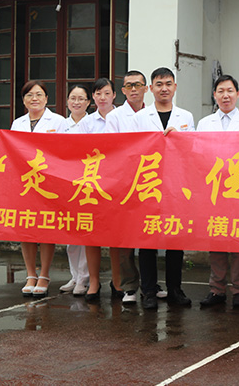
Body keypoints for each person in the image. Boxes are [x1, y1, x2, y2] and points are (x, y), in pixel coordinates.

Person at [0, 81, 65, 297]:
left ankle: (44, 274)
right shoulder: (18, 123)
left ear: (47, 98)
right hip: (25, 183)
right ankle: (31, 274)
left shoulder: (58, 121)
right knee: (26, 227)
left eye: (39, 94)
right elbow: (13, 152)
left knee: (46, 228)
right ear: (23, 100)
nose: (34, 98)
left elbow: (65, 151)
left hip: (48, 183)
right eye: (29, 95)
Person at [131, 67, 195, 310]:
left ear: (175, 87)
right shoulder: (140, 118)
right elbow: (133, 151)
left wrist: (180, 138)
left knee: (174, 238)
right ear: (151, 89)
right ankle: (148, 290)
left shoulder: (186, 117)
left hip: (176, 185)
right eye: (159, 84)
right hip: (148, 185)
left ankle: (175, 289)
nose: (164, 88)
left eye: (168, 84)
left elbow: (193, 150)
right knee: (147, 240)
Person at [197, 75, 239, 309]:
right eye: (221, 91)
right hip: (214, 190)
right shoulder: (204, 123)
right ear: (214, 95)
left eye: (230, 91)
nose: (225, 95)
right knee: (217, 240)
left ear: (237, 94)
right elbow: (198, 155)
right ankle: (217, 289)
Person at [105, 70, 149, 305]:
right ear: (122, 91)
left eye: (138, 85)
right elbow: (113, 149)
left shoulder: (154, 114)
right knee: (125, 238)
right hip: (123, 183)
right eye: (129, 86)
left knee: (150, 235)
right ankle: (130, 285)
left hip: (151, 182)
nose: (133, 89)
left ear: (146, 88)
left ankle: (151, 284)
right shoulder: (114, 117)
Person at [76, 78, 120, 302]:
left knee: (116, 234)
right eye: (98, 93)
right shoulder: (86, 123)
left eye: (107, 93)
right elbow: (73, 150)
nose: (102, 98)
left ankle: (117, 280)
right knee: (91, 233)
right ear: (93, 97)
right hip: (91, 184)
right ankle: (93, 281)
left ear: (114, 95)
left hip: (118, 184)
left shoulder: (123, 118)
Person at [59, 84, 91, 297]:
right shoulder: (61, 125)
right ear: (67, 101)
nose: (76, 102)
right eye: (73, 98)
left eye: (81, 98)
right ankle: (74, 275)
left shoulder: (94, 123)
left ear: (88, 102)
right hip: (66, 183)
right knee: (70, 233)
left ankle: (84, 278)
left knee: (86, 232)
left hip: (89, 183)